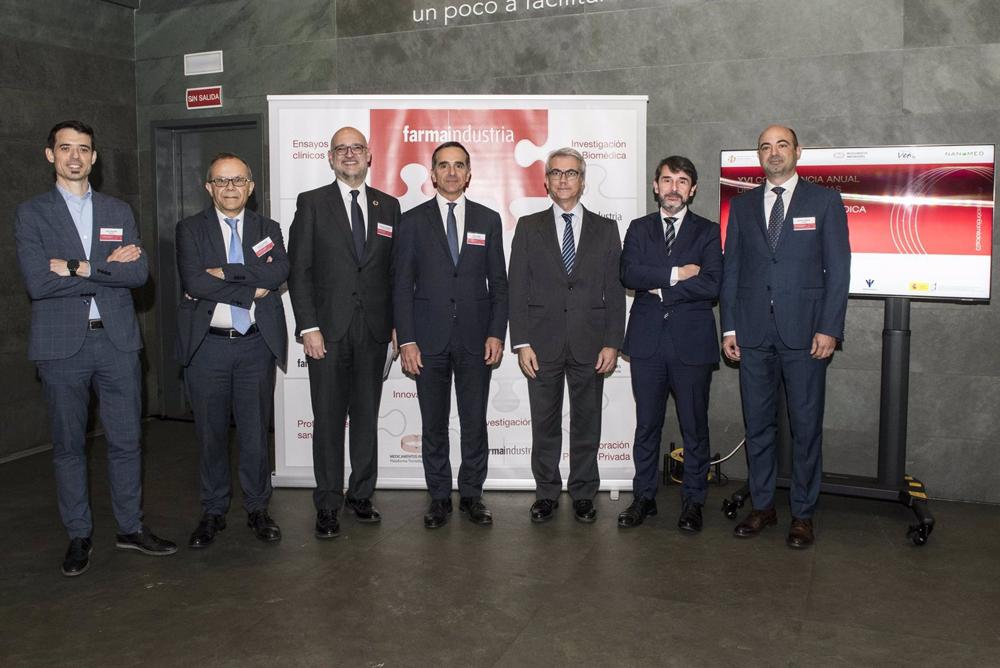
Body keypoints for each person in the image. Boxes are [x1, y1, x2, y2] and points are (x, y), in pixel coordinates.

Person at [14, 120, 176, 576]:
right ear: (50, 155)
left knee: (127, 441)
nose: (74, 157)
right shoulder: (32, 213)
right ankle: (79, 535)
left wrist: (76, 266)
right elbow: (38, 283)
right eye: (65, 148)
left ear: (94, 157)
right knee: (69, 446)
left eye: (83, 149)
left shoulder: (117, 211)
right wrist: (104, 268)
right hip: (60, 346)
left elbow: (138, 275)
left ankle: (130, 528)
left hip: (118, 342)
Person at [720, 125, 851, 548]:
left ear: (797, 151)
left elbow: (838, 270)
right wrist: (730, 326)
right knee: (758, 426)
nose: (773, 153)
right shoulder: (740, 207)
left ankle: (803, 513)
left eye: (781, 145)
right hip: (754, 334)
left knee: (806, 427)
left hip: (806, 334)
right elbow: (733, 271)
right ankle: (762, 506)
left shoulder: (825, 201)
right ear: (758, 156)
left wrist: (830, 326)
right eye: (764, 147)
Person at [287, 127, 401, 539]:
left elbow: (393, 273)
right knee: (330, 420)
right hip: (327, 333)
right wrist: (308, 327)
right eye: (341, 149)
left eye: (356, 148)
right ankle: (329, 503)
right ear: (330, 157)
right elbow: (299, 270)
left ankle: (361, 495)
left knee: (367, 418)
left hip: (373, 332)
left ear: (369, 156)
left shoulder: (388, 205)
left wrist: (394, 328)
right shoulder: (312, 203)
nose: (349, 155)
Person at [175, 153, 289, 547]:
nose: (230, 188)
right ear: (208, 188)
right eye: (221, 181)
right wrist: (251, 288)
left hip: (255, 345)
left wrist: (224, 272)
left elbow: (278, 273)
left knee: (256, 434)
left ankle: (258, 510)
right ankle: (213, 511)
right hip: (208, 348)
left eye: (238, 180)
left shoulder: (267, 227)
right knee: (211, 434)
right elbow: (193, 280)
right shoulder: (189, 229)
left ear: (251, 187)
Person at [508, 147, 626, 523]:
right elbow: (516, 289)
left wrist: (612, 341)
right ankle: (545, 493)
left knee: (587, 421)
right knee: (544, 422)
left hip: (591, 343)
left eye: (571, 173)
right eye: (556, 173)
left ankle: (583, 493)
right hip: (541, 345)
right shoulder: (528, 227)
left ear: (582, 180)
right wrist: (522, 341)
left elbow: (615, 291)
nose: (563, 179)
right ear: (546, 181)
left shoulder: (606, 230)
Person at [394, 142, 508, 529]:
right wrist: (406, 340)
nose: (452, 172)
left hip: (477, 340)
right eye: (444, 165)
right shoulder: (411, 222)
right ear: (432, 173)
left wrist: (496, 333)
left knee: (474, 421)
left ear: (469, 173)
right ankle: (440, 497)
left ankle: (473, 496)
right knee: (434, 423)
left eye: (459, 165)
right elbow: (401, 286)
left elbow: (501, 285)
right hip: (427, 341)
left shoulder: (488, 219)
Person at [619, 155, 722, 532]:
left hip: (691, 345)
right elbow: (628, 272)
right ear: (655, 186)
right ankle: (643, 498)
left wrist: (659, 289)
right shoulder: (638, 228)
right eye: (666, 180)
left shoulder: (708, 231)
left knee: (694, 428)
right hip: (647, 344)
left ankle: (693, 502)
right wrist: (677, 275)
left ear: (692, 189)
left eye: (681, 181)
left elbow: (712, 283)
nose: (673, 188)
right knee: (646, 426)